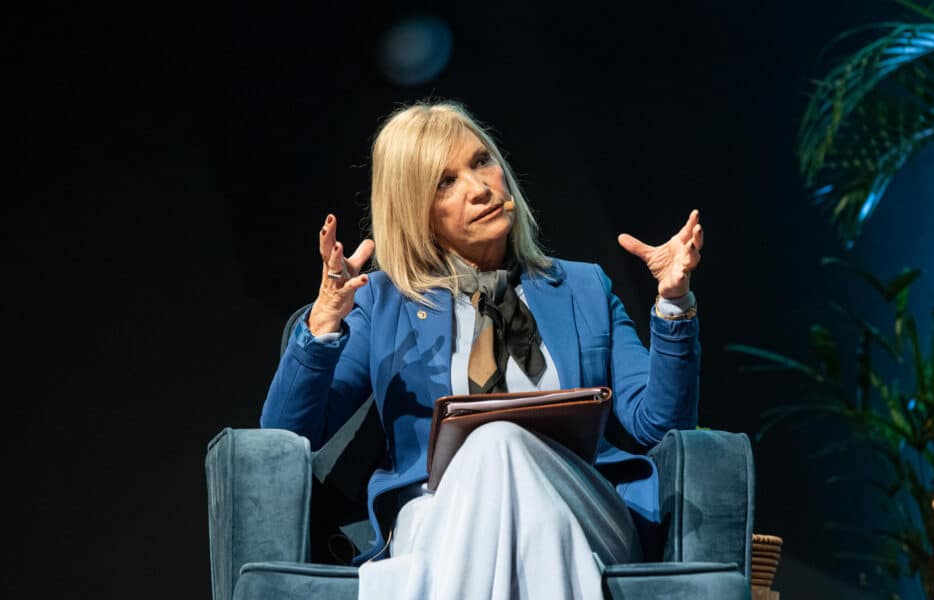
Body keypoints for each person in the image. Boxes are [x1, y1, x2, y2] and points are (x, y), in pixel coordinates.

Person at [261, 101, 704, 600]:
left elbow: (659, 426)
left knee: (499, 442)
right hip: (437, 517)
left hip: (580, 506)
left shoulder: (583, 289)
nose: (479, 189)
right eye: (444, 183)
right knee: (495, 450)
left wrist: (673, 304)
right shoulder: (382, 303)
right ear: (416, 213)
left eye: (481, 162)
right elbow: (284, 434)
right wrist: (321, 323)